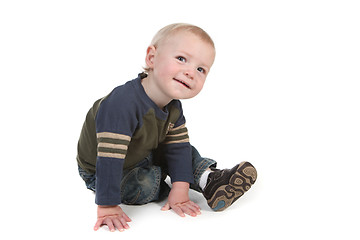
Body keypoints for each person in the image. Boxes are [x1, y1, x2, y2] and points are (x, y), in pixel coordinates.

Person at [76, 23, 257, 232]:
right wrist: (107, 206)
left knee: (183, 150)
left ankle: (210, 180)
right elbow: (109, 157)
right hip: (103, 168)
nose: (191, 72)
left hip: (142, 151)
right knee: (145, 184)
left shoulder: (174, 107)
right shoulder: (122, 104)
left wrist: (181, 189)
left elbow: (178, 148)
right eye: (181, 59)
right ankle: (170, 178)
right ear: (151, 58)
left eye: (201, 69)